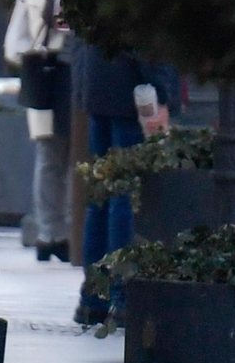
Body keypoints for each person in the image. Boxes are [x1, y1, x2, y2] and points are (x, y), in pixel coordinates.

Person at [71, 34, 179, 326]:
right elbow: (146, 35)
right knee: (125, 198)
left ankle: (94, 297)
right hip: (131, 91)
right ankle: (122, 295)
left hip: (97, 84)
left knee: (102, 196)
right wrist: (162, 91)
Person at [4, 0, 73, 263]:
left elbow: (15, 47)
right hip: (63, 73)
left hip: (41, 74)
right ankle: (60, 232)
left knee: (49, 157)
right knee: (68, 157)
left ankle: (49, 233)